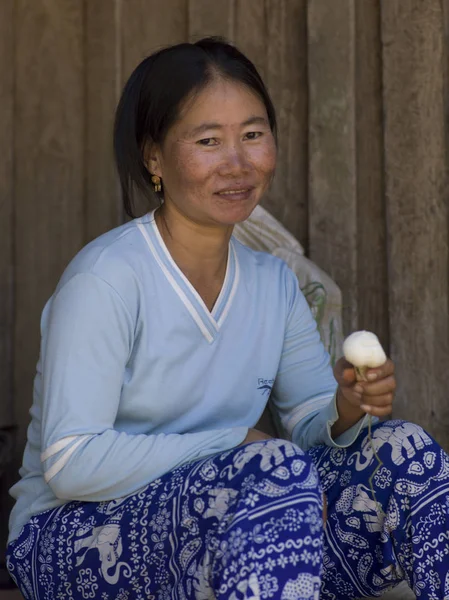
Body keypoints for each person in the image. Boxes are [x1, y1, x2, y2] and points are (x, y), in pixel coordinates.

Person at [6, 37, 449, 600]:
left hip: (232, 516)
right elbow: (71, 463)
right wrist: (234, 442)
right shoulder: (107, 278)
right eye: (209, 140)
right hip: (71, 538)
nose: (238, 163)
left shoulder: (273, 283)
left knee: (402, 450)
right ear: (154, 158)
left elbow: (310, 424)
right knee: (270, 470)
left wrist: (346, 408)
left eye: (253, 135)